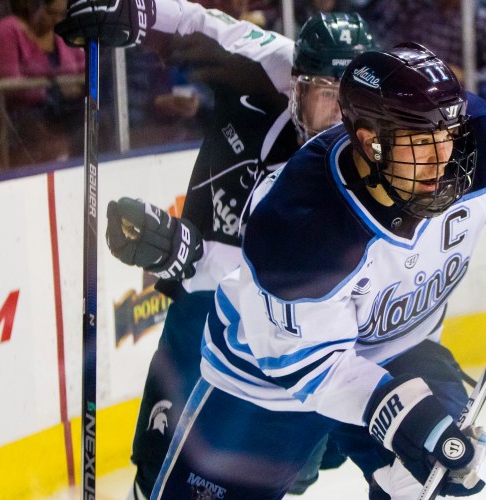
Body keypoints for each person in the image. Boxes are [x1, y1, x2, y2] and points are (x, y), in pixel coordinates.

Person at [143, 42, 486, 499]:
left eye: (447, 131)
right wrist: (401, 414)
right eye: (421, 141)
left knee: (432, 478)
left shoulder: (478, 143)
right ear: (371, 141)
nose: (442, 155)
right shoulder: (302, 226)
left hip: (399, 350)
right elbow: (309, 366)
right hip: (266, 382)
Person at [55, 1, 376, 498]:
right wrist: (137, 10)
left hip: (291, 340)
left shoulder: (374, 163)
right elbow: (198, 24)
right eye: (329, 95)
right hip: (201, 314)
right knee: (161, 464)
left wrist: (191, 253)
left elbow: (288, 283)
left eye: (355, 102)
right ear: (299, 84)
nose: (342, 117)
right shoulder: (272, 64)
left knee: (271, 480)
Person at [0, 0, 85, 165]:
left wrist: (68, 87)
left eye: (61, 14)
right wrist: (55, 89)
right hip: (20, 118)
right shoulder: (7, 30)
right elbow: (7, 86)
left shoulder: (62, 34)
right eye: (50, 13)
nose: (57, 20)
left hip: (65, 109)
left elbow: (84, 70)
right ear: (34, 5)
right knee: (40, 130)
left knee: (97, 118)